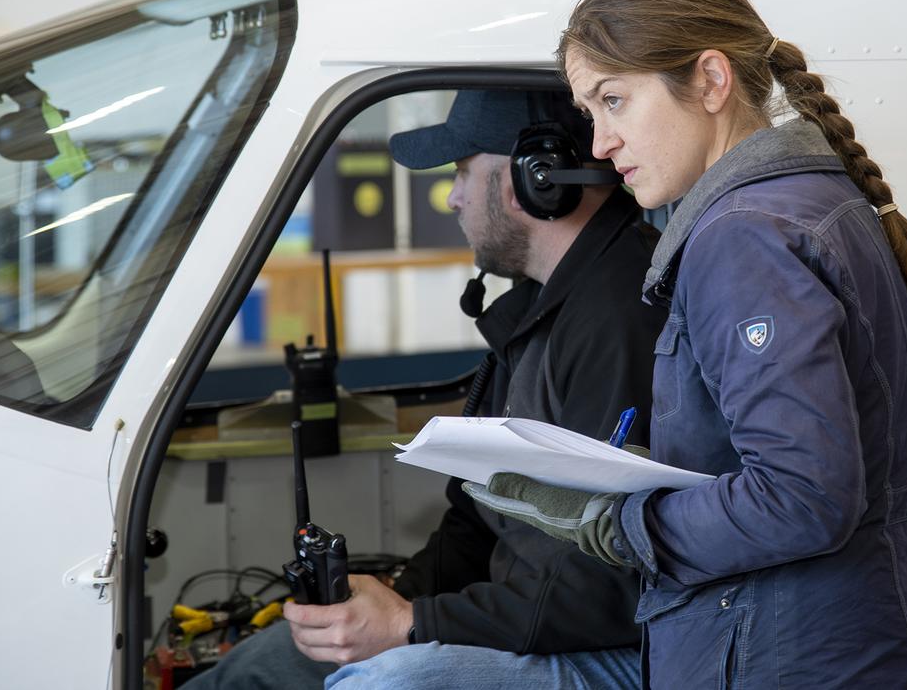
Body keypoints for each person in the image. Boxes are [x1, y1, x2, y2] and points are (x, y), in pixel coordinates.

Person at [467, 0, 907, 688]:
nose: (599, 143)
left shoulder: (744, 236)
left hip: (787, 658)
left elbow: (802, 497)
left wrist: (619, 524)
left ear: (710, 81)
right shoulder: (812, 202)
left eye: (614, 100)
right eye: (591, 113)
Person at [188, 88, 666, 690]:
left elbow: (612, 583)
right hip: (523, 618)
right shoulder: (537, 313)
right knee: (261, 665)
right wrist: (388, 605)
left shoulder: (623, 316)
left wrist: (412, 623)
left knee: (377, 684)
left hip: (610, 644)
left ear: (536, 175)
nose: (452, 197)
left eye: (463, 171)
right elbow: (477, 514)